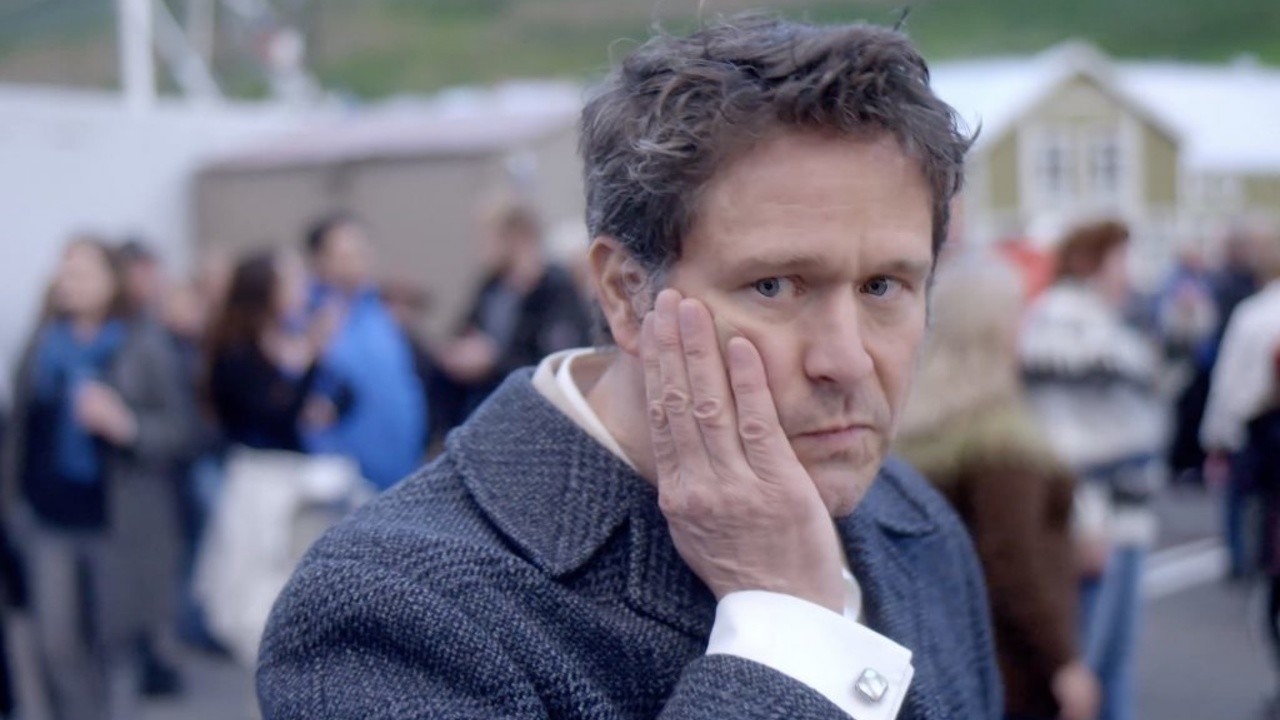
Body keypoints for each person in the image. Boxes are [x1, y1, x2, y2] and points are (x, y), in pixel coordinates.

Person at [258, 16, 999, 720]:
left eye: (884, 287)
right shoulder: (394, 610)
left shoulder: (912, 520)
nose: (846, 360)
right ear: (624, 292)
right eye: (774, 286)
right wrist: (787, 631)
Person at [896, 255, 1098, 720]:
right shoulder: (1000, 438)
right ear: (996, 328)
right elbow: (1013, 561)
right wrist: (1063, 661)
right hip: (1011, 663)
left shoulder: (916, 425)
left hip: (944, 650)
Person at [2, 237, 190, 720]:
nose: (73, 283)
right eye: (67, 273)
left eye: (84, 273)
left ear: (112, 281)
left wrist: (127, 426)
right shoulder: (43, 344)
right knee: (57, 641)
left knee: (114, 640)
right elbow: (21, 429)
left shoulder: (142, 344)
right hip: (49, 514)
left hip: (119, 519)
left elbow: (182, 431)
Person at [1020, 220, 1165, 720]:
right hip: (1098, 515)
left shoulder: (1098, 317)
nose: (1129, 272)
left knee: (1112, 667)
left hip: (1125, 513)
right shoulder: (1061, 318)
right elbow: (1058, 435)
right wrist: (1084, 517)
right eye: (1120, 259)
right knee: (1089, 671)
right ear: (1091, 261)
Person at [439, 200, 593, 424]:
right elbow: (461, 330)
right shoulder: (490, 285)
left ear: (516, 237)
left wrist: (495, 360)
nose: (482, 246)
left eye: (488, 237)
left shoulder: (555, 287)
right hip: (483, 405)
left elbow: (558, 359)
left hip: (533, 412)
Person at [301, 215, 427, 490]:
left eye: (362, 251)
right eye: (346, 254)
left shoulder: (379, 311)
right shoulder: (307, 314)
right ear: (320, 260)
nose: (358, 261)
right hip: (339, 474)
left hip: (398, 468)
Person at [206, 250, 342, 452]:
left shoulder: (290, 337)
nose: (302, 291)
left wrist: (329, 405)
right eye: (292, 282)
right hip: (253, 460)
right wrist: (312, 357)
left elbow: (343, 388)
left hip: (291, 457)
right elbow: (271, 416)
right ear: (266, 290)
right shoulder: (236, 351)